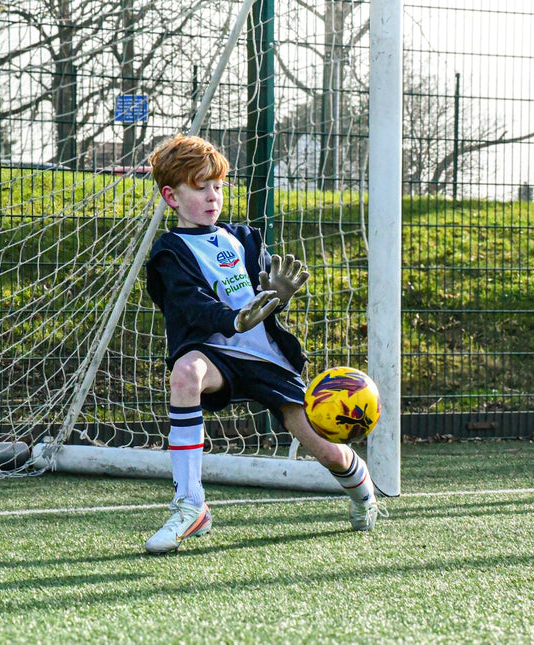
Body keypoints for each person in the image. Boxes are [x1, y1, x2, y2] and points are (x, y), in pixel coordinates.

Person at [144, 133, 385, 554]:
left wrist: (275, 298)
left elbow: (263, 302)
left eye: (217, 186)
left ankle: (362, 487)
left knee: (327, 452)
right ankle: (190, 505)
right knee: (185, 373)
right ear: (172, 196)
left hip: (266, 359)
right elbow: (189, 305)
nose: (212, 196)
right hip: (216, 353)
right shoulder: (170, 252)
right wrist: (232, 319)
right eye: (200, 187)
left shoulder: (244, 238)